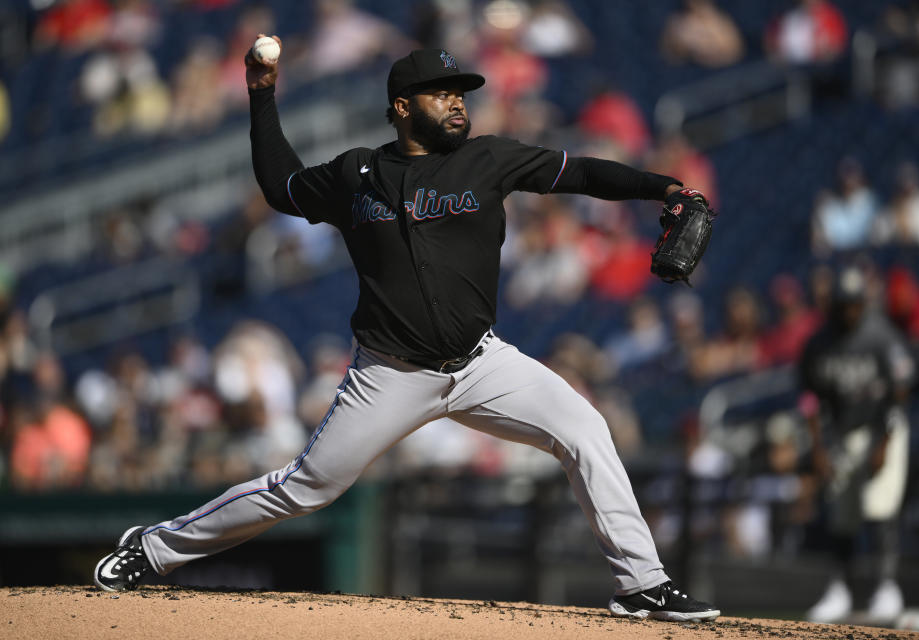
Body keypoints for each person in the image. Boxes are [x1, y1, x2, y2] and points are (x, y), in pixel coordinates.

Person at [93, 39, 720, 623]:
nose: (456, 102)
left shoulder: (488, 159)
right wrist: (262, 94)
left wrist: (663, 187)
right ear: (401, 107)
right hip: (389, 374)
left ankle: (642, 583)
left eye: (461, 93)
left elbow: (582, 173)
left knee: (585, 429)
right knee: (306, 488)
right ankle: (153, 550)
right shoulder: (355, 174)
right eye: (441, 92)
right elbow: (281, 187)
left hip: (482, 364)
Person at [799, 268, 913, 624]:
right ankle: (840, 590)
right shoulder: (820, 342)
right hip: (845, 433)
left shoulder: (881, 337)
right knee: (841, 515)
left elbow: (900, 389)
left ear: (864, 303)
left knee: (880, 508)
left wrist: (884, 441)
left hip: (883, 429)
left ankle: (886, 587)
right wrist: (817, 446)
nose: (848, 311)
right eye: (842, 304)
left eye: (854, 304)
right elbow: (809, 399)